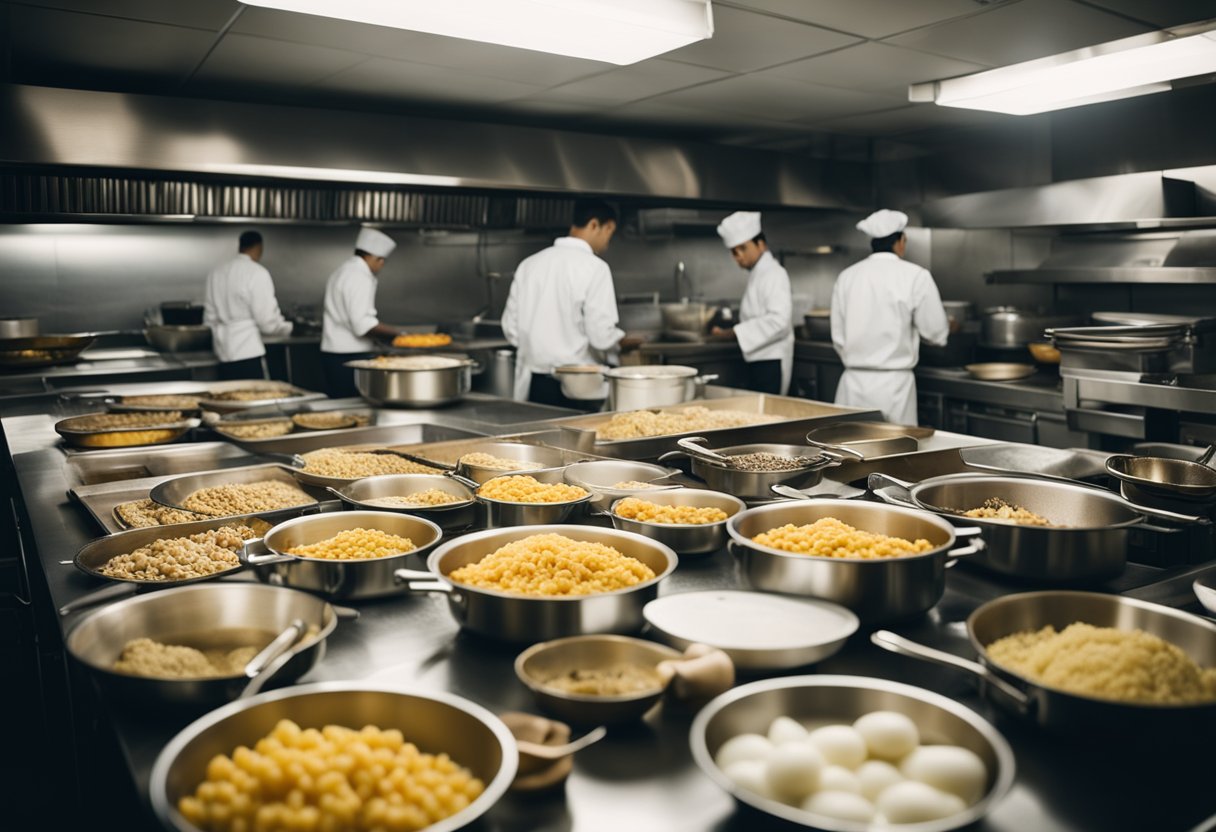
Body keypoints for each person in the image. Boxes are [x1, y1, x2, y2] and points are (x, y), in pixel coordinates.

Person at [502, 198, 639, 410]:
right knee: (579, 441)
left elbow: (511, 329)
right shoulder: (595, 268)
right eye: (609, 231)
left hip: (534, 385)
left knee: (537, 439)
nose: (607, 242)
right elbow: (600, 335)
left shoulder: (529, 264)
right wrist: (622, 341)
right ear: (595, 224)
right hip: (579, 385)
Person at [831, 209, 949, 426]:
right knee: (895, 455)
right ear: (900, 241)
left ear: (873, 243)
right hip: (895, 388)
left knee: (849, 453)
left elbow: (838, 336)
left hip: (853, 384)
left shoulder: (847, 277)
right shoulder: (916, 276)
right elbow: (935, 332)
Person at [710, 211, 794, 395]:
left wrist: (734, 332)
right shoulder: (759, 273)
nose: (738, 256)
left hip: (772, 360)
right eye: (734, 252)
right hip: (757, 358)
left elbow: (779, 321)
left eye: (743, 248)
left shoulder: (773, 273)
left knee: (771, 418)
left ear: (760, 244)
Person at [320, 226, 400, 398]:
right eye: (381, 260)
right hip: (351, 356)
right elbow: (362, 324)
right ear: (372, 257)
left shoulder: (341, 271)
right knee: (354, 409)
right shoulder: (359, 276)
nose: (381, 265)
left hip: (333, 354)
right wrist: (400, 335)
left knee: (340, 408)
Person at [202, 230, 293, 381]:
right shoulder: (257, 272)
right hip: (248, 351)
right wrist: (288, 328)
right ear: (258, 247)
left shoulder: (216, 273)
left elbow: (209, 317)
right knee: (256, 399)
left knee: (228, 399)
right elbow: (267, 322)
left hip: (222, 352)